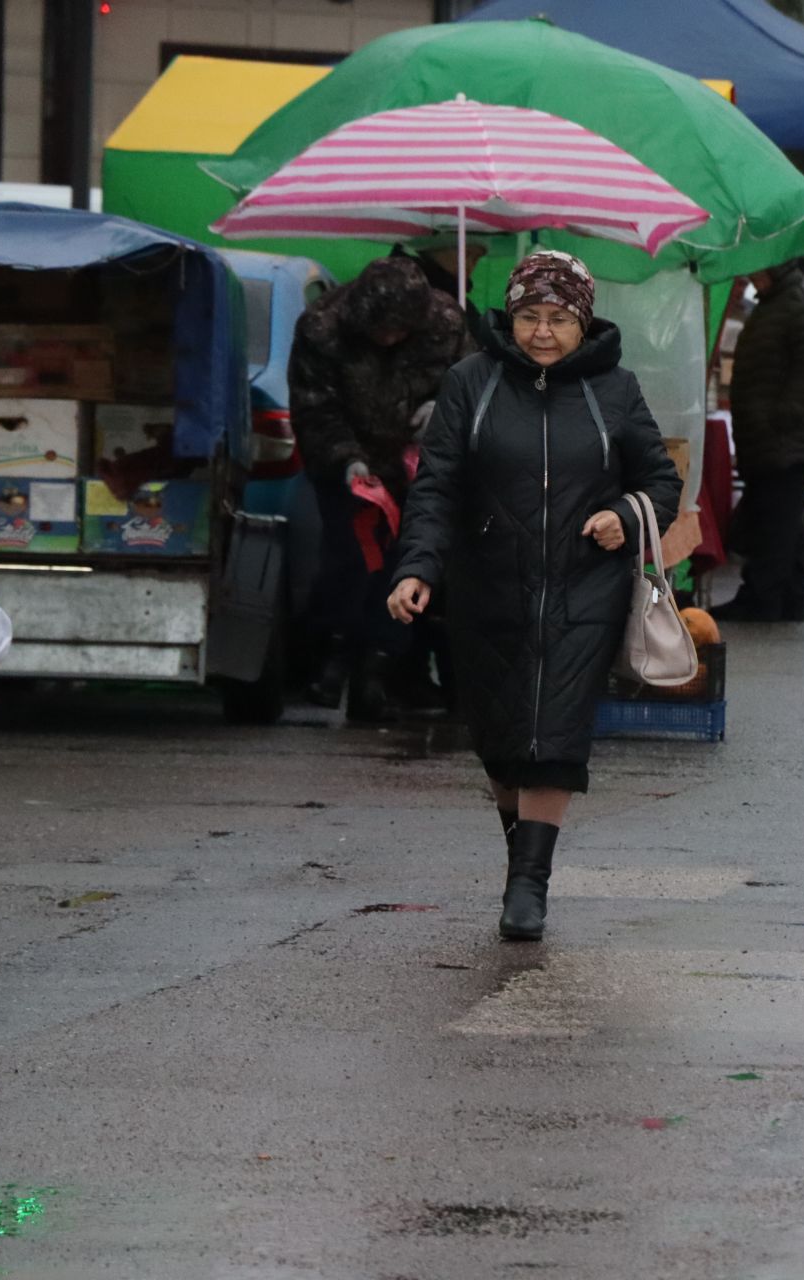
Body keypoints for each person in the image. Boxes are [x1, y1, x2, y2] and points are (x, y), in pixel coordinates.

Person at [387, 250, 681, 942]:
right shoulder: (470, 383)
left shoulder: (616, 390)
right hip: (487, 583)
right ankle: (522, 856)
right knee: (500, 738)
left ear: (583, 322)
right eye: (528, 317)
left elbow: (661, 484)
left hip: (586, 584)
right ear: (510, 317)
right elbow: (436, 487)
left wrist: (627, 516)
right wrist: (417, 570)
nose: (541, 333)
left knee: (556, 733)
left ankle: (529, 885)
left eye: (557, 319)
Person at [289, 256, 470, 721]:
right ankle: (330, 667)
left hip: (421, 467)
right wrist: (347, 460)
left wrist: (445, 414)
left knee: (414, 567)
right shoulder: (321, 329)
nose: (389, 340)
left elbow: (475, 386)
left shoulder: (447, 323)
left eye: (399, 332)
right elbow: (315, 409)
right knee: (353, 564)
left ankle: (386, 674)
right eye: (381, 332)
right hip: (354, 470)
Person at [714, 261, 804, 620]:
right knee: (782, 523)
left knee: (774, 523)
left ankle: (761, 597)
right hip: (770, 439)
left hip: (784, 440)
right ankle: (790, 598)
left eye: (759, 267)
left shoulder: (800, 304)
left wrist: (776, 419)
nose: (751, 274)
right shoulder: (774, 305)